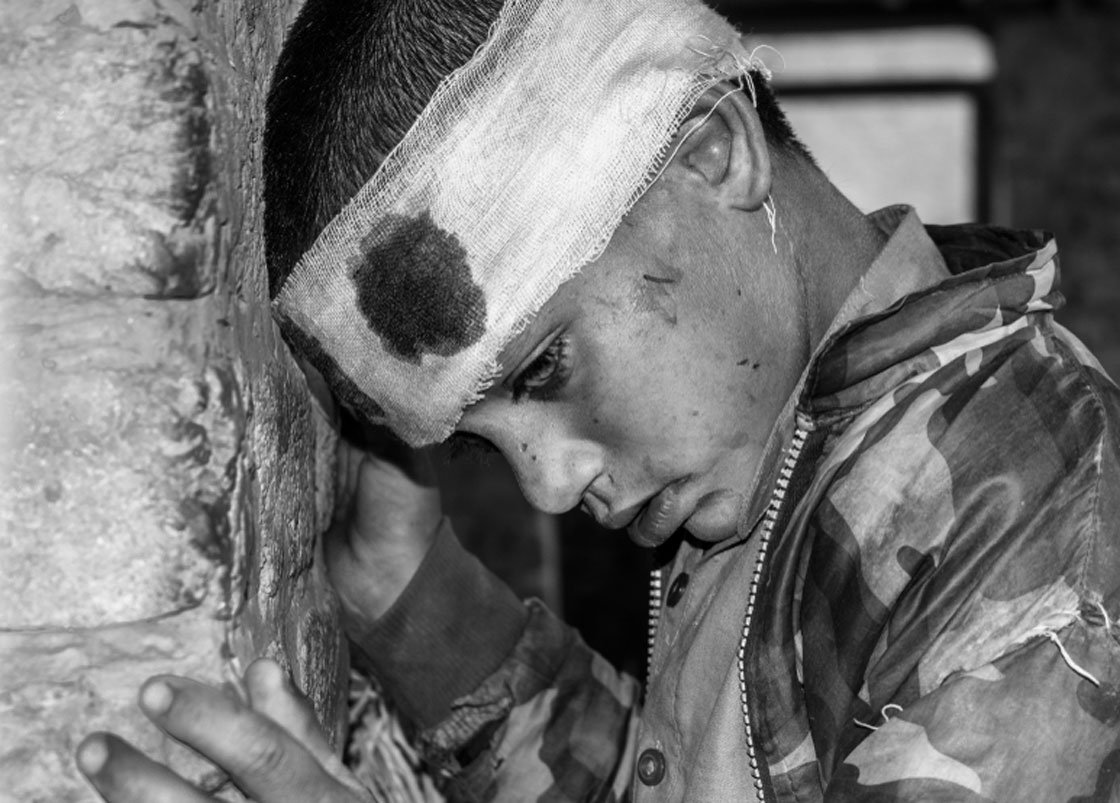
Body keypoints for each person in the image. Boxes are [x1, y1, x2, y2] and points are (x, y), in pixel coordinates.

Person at [75, 0, 1120, 800]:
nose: (549, 484)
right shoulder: (775, 442)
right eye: (481, 445)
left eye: (542, 370)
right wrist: (418, 599)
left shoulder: (1041, 501)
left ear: (712, 152)